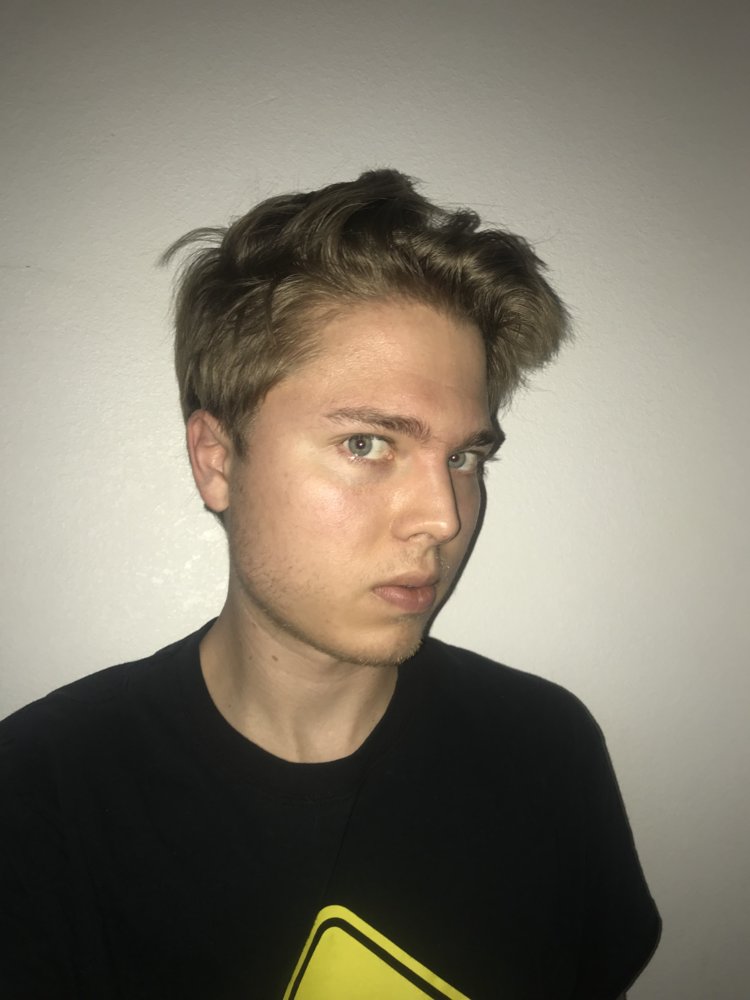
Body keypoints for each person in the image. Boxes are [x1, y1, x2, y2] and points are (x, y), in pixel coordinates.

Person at [0, 170, 660, 999]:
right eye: (366, 444)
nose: (443, 518)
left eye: (463, 457)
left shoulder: (546, 753)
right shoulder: (41, 793)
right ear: (216, 461)